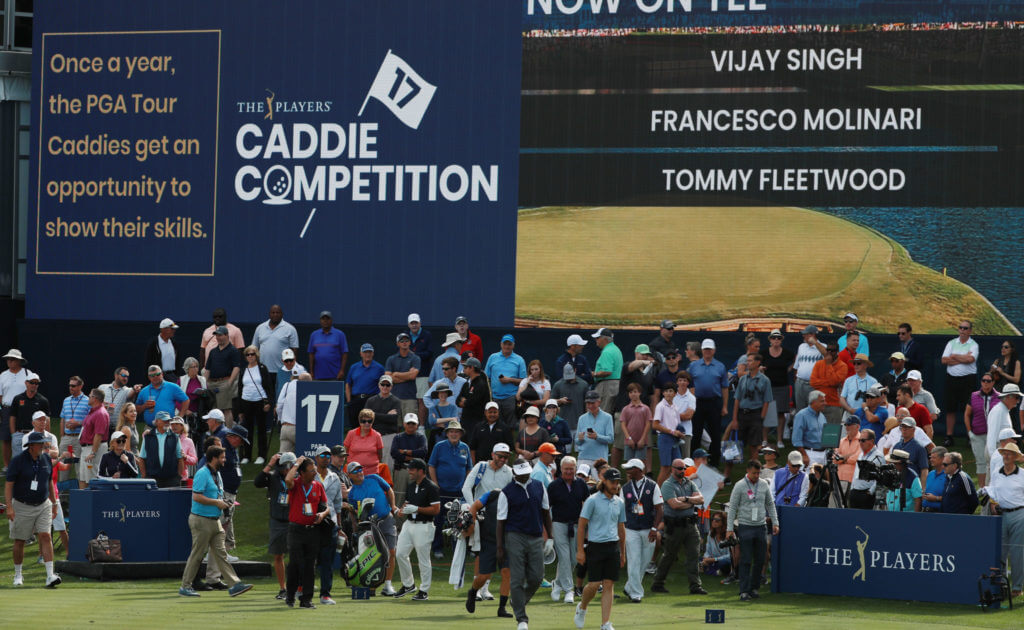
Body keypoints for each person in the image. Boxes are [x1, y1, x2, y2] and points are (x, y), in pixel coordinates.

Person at [178, 445, 253, 598]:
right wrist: (217, 503)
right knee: (197, 555)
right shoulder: (202, 474)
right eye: (222, 457)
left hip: (214, 520)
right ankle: (185, 586)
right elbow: (196, 496)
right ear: (214, 458)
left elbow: (215, 494)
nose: (225, 460)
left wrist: (223, 502)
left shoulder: (216, 474)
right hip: (201, 520)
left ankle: (234, 585)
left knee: (221, 554)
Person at [496, 459, 554, 630]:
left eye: (527, 472)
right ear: (514, 473)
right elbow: (500, 522)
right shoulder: (506, 492)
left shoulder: (538, 486)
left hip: (536, 536)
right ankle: (522, 619)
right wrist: (500, 547)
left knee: (537, 577)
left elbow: (546, 513)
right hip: (515, 537)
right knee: (517, 578)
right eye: (521, 474)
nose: (525, 476)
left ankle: (517, 601)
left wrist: (550, 537)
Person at [5, 432, 61, 588]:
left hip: (43, 504)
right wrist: (9, 507)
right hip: (22, 505)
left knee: (45, 535)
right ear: (31, 446)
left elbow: (49, 481)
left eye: (43, 443)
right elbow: (9, 485)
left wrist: (54, 503)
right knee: (20, 540)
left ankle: (50, 575)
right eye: (40, 443)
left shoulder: (46, 459)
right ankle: (18, 575)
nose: (43, 445)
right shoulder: (18, 461)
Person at [574, 467, 626, 630]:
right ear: (604, 481)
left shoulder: (620, 502)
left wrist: (622, 553)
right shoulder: (592, 500)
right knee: (594, 584)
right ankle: (582, 607)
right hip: (595, 546)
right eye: (612, 482)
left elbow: (621, 527)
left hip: (613, 547)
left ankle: (605, 623)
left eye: (617, 482)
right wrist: (580, 550)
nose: (615, 485)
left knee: (609, 584)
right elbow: (582, 526)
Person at [725, 460, 779, 602]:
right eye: (754, 473)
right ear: (748, 471)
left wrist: (775, 522)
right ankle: (743, 591)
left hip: (760, 526)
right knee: (746, 559)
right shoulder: (740, 485)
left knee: (761, 559)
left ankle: (754, 588)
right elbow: (732, 508)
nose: (756, 475)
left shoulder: (763, 484)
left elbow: (770, 504)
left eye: (758, 472)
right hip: (745, 526)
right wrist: (729, 528)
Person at [651, 456, 705, 595]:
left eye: (684, 468)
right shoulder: (668, 484)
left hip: (690, 525)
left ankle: (695, 586)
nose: (683, 471)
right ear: (673, 469)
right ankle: (658, 583)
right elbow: (674, 505)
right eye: (680, 468)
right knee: (669, 555)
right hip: (675, 526)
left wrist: (686, 499)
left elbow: (701, 499)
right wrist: (691, 503)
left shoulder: (689, 483)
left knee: (694, 554)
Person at [346, 460, 400, 595]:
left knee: (391, 552)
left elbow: (389, 490)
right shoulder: (352, 493)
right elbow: (354, 512)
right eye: (355, 471)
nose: (359, 473)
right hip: (370, 525)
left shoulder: (374, 478)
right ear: (349, 476)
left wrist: (393, 506)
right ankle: (372, 584)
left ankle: (388, 585)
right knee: (373, 555)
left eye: (360, 470)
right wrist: (355, 525)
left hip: (386, 518)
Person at [282, 456, 330, 608]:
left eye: (315, 470)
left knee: (310, 565)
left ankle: (306, 600)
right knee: (295, 563)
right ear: (301, 473)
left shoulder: (318, 486)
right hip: (296, 530)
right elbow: (288, 480)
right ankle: (290, 596)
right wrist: (296, 464)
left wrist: (322, 515)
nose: (315, 473)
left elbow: (326, 506)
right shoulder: (295, 484)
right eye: (311, 471)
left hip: (312, 531)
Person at [393, 457, 440, 600]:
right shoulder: (411, 486)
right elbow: (406, 505)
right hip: (409, 525)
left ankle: (424, 590)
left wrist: (418, 509)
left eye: (412, 469)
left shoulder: (431, 487)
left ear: (421, 471)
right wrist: (401, 511)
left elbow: (436, 510)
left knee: (423, 559)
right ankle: (409, 585)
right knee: (400, 554)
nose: (409, 471)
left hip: (424, 526)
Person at [465, 484, 514, 618]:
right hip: (489, 541)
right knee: (484, 576)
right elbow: (474, 507)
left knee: (506, 572)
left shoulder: (517, 497)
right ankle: (473, 591)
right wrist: (471, 524)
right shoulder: (493, 494)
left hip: (507, 542)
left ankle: (502, 608)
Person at [254, 451, 296, 599]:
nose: (287, 469)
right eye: (285, 466)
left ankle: (296, 586)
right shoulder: (273, 477)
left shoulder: (300, 477)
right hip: (277, 520)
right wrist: (270, 463)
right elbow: (257, 482)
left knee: (296, 555)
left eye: (291, 465)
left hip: (294, 520)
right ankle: (282, 588)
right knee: (278, 555)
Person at [619, 459, 663, 602]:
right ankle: (636, 594)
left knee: (644, 562)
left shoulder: (652, 486)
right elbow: (620, 509)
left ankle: (629, 587)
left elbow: (659, 509)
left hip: (648, 528)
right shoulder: (625, 488)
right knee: (634, 560)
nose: (627, 471)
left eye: (630, 468)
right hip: (630, 528)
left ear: (638, 469)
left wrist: (654, 528)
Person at [547, 455, 588, 604]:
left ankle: (557, 583)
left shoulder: (581, 485)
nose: (569, 472)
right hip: (558, 524)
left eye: (571, 469)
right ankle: (569, 590)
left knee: (573, 558)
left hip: (576, 525)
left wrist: (587, 527)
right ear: (561, 469)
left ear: (576, 469)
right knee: (564, 556)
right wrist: (547, 529)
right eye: (566, 469)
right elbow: (546, 508)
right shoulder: (554, 486)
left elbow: (586, 504)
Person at [428, 422, 472, 556]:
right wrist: (435, 484)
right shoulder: (439, 446)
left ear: (460, 434)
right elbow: (431, 466)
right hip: (441, 490)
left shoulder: (465, 448)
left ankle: (460, 547)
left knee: (460, 519)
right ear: (447, 433)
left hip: (459, 490)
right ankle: (437, 548)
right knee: (438, 520)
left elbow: (469, 468)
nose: (454, 434)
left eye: (456, 432)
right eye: (451, 431)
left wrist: (466, 485)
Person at [987, 442, 1024, 598]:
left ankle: (1017, 587)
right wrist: (993, 504)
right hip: (1000, 515)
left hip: (1019, 514)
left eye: (1009, 454)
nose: (1006, 456)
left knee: (1017, 552)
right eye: (1004, 453)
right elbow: (992, 491)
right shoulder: (996, 472)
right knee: (1000, 551)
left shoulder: (1022, 474)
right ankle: (1001, 585)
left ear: (1015, 457)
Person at [689, 339, 730, 469]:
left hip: (714, 402)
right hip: (698, 403)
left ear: (714, 350)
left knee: (715, 435)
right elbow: (689, 385)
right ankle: (693, 461)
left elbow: (724, 388)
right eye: (705, 349)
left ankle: (714, 463)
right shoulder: (694, 366)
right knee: (695, 434)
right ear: (702, 350)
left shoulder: (720, 366)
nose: (707, 352)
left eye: (709, 349)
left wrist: (724, 406)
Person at [313, 445, 344, 605]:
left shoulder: (335, 477)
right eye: (322, 456)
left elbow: (338, 505)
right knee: (309, 559)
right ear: (316, 458)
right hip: (312, 522)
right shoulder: (309, 475)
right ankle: (302, 589)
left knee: (327, 560)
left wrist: (338, 527)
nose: (325, 458)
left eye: (327, 456)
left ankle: (325, 594)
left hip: (330, 523)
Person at [941, 320, 980, 447]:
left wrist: (954, 356)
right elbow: (944, 360)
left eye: (965, 328)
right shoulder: (951, 343)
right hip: (951, 379)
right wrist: (962, 358)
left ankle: (970, 437)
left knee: (968, 409)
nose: (962, 330)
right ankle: (949, 436)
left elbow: (970, 359)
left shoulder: (974, 345)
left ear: (970, 331)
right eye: (961, 328)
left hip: (967, 380)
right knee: (950, 409)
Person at [729, 353, 773, 464]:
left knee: (754, 445)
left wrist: (761, 418)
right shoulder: (743, 379)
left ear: (758, 363)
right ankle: (727, 475)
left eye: (750, 361)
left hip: (755, 414)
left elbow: (767, 401)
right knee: (735, 444)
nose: (747, 363)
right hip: (742, 414)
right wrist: (734, 419)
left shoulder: (765, 380)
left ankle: (754, 470)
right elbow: (737, 399)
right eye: (747, 361)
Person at [252, 304, 299, 398]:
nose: (275, 315)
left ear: (282, 314)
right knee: (264, 398)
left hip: (282, 371)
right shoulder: (260, 328)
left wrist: (290, 367)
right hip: (264, 371)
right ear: (269, 314)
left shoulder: (290, 329)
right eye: (273, 312)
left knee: (281, 397)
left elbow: (294, 350)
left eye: (278, 313)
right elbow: (254, 349)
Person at [236, 345, 273, 464]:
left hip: (260, 401)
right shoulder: (243, 369)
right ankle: (246, 455)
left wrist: (268, 402)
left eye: (252, 354)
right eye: (248, 354)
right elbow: (240, 388)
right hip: (246, 401)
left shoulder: (262, 368)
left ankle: (261, 455)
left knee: (261, 429)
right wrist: (240, 409)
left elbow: (268, 386)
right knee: (247, 430)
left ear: (256, 355)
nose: (250, 356)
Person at [202, 327, 242, 429]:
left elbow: (236, 367)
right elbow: (207, 369)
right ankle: (214, 433)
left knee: (226, 409)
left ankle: (228, 433)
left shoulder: (233, 350)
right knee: (213, 410)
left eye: (220, 335)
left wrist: (229, 382)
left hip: (224, 382)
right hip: (211, 383)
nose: (218, 337)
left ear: (226, 335)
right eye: (217, 335)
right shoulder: (213, 351)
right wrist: (203, 384)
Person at [762, 330, 795, 448]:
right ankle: (765, 440)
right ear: (770, 339)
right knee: (768, 413)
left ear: (781, 340)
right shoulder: (764, 353)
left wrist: (790, 368)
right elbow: (757, 363)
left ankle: (779, 440)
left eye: (778, 338)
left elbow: (795, 358)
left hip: (782, 386)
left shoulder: (786, 353)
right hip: (769, 387)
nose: (776, 340)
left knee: (781, 414)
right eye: (774, 338)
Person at [485, 334, 527, 427]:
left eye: (509, 344)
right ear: (501, 344)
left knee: (511, 426)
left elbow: (524, 381)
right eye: (505, 344)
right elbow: (486, 377)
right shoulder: (493, 357)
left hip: (511, 398)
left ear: (513, 345)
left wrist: (509, 380)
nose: (507, 346)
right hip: (494, 397)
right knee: (495, 425)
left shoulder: (519, 360)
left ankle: (511, 442)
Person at [966, 373, 1000, 487]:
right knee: (980, 462)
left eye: (988, 381)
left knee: (993, 461)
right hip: (977, 434)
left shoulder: (999, 397)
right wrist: (969, 432)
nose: (986, 383)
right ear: (981, 382)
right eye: (984, 380)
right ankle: (982, 489)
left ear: (993, 383)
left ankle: (991, 486)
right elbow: (967, 414)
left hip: (993, 435)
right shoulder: (973, 395)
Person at [1, 348, 30, 471]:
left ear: (19, 361)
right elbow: (0, 395)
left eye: (12, 359)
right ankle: (7, 466)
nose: (9, 361)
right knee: (6, 438)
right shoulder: (3, 375)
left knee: (26, 437)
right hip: (7, 409)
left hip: (23, 409)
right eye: (8, 359)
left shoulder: (28, 374)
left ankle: (26, 464)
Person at [139, 411, 185, 487]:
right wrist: (144, 477)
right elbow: (142, 458)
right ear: (156, 421)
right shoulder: (148, 437)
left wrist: (178, 478)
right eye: (164, 420)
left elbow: (180, 458)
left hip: (171, 480)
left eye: (168, 420)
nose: (167, 422)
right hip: (152, 479)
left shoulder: (175, 437)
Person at [652, 382, 686, 485]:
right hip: (664, 438)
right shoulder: (660, 406)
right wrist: (672, 432)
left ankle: (669, 491)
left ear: (675, 393)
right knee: (665, 467)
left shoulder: (675, 407)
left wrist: (680, 434)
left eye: (671, 391)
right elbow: (655, 425)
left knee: (677, 467)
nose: (668, 393)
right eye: (666, 391)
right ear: (663, 393)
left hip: (674, 439)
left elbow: (677, 425)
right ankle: (657, 495)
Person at [9, 372, 48, 461]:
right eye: (31, 382)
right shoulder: (17, 398)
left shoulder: (43, 400)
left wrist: (46, 436)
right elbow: (12, 417)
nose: (34, 385)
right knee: (17, 461)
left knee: (35, 460)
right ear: (26, 383)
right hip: (19, 434)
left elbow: (46, 420)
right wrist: (13, 434)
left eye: (36, 383)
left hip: (36, 435)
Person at [392, 413, 429, 506]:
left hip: (417, 471)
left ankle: (416, 520)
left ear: (417, 425)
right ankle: (399, 520)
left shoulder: (421, 437)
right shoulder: (398, 437)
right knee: (399, 498)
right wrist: (414, 457)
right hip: (402, 470)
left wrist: (405, 452)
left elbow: (423, 452)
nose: (411, 425)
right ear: (404, 424)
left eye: (413, 423)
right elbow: (394, 453)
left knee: (417, 498)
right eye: (408, 423)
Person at [385, 332, 422, 423]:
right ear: (398, 344)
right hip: (394, 397)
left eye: (406, 340)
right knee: (394, 427)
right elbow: (388, 378)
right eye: (402, 341)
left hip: (410, 398)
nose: (404, 342)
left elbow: (413, 376)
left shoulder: (415, 358)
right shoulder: (391, 359)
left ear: (410, 343)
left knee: (410, 425)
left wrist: (396, 374)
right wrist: (407, 375)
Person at [346, 343, 385, 428]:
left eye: (369, 352)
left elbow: (384, 385)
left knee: (372, 426)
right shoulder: (354, 367)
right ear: (361, 354)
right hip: (356, 400)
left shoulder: (379, 368)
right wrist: (349, 401)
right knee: (355, 426)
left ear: (373, 353)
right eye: (365, 352)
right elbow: (348, 384)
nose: (367, 354)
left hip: (372, 400)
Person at [58, 375, 89, 482]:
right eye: (70, 385)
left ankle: (79, 494)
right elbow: (62, 419)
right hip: (66, 438)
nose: (71, 388)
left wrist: (78, 423)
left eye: (73, 386)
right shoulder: (66, 400)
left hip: (79, 438)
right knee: (63, 467)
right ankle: (62, 495)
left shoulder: (88, 401)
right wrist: (62, 436)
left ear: (80, 386)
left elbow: (90, 421)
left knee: (80, 469)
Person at [810, 343, 848, 425]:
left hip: (834, 405)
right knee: (816, 432)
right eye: (828, 350)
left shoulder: (842, 366)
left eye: (833, 350)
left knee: (831, 434)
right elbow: (813, 382)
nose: (829, 352)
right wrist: (828, 382)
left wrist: (828, 365)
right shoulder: (818, 364)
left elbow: (834, 382)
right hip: (818, 404)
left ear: (837, 351)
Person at [575, 390, 613, 471]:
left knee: (600, 483)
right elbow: (576, 441)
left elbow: (610, 439)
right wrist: (580, 439)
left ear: (599, 402)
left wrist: (597, 437)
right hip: (583, 457)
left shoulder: (607, 417)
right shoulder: (582, 418)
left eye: (593, 403)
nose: (590, 406)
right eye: (588, 403)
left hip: (600, 459)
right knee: (581, 483)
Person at [307, 310, 349, 381]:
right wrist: (311, 371)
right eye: (323, 319)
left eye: (327, 319)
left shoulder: (340, 334)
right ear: (320, 321)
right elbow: (311, 353)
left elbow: (344, 353)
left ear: (331, 320)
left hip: (335, 374)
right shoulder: (314, 334)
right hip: (318, 374)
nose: (325, 321)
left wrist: (342, 370)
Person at [849, 430, 886, 509]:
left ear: (871, 441)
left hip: (866, 493)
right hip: (855, 492)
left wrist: (870, 492)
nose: (860, 443)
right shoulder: (861, 454)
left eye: (863, 440)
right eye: (859, 440)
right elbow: (856, 472)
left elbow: (881, 477)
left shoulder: (878, 456)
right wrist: (852, 488)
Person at [793, 326, 826, 414]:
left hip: (814, 385)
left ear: (813, 335)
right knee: (799, 410)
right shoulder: (801, 346)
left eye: (806, 334)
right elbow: (796, 366)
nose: (803, 336)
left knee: (814, 410)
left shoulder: (823, 346)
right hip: (800, 383)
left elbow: (827, 355)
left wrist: (815, 343)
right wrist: (796, 380)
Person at [276, 372, 310, 454]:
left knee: (284, 461)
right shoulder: (308, 390)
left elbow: (279, 406)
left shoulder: (287, 386)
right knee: (303, 459)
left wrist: (281, 420)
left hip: (285, 427)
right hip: (299, 429)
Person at [552, 362, 590, 435]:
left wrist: (587, 422)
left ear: (575, 370)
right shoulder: (558, 385)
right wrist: (560, 400)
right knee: (566, 446)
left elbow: (587, 404)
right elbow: (550, 402)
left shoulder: (584, 385)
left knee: (580, 446)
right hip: (563, 425)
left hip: (580, 425)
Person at [364, 374, 402, 447]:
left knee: (387, 458)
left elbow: (393, 419)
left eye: (387, 385)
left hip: (389, 435)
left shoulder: (396, 401)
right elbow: (366, 417)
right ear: (379, 385)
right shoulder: (371, 400)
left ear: (391, 386)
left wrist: (373, 414)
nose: (385, 387)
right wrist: (386, 415)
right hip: (372, 435)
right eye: (383, 384)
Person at [98, 367, 139, 434]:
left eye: (127, 376)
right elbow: (94, 402)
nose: (125, 378)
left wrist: (135, 389)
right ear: (116, 375)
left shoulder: (127, 390)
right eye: (123, 375)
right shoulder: (102, 387)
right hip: (103, 428)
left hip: (118, 429)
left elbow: (131, 392)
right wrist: (101, 405)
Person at [591, 328, 623, 414]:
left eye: (597, 338)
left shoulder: (607, 352)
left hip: (607, 386)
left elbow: (607, 372)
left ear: (604, 339)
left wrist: (594, 374)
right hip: (616, 385)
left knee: (602, 413)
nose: (596, 340)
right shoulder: (616, 349)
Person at [620, 383, 652, 466]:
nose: (633, 394)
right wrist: (628, 438)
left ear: (639, 393)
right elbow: (623, 424)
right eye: (631, 392)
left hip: (642, 441)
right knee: (629, 465)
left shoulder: (645, 408)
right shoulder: (626, 409)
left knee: (640, 465)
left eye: (635, 392)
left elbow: (648, 424)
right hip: (629, 441)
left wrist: (643, 439)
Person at [791, 390, 827, 466]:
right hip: (809, 454)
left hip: (823, 454)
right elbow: (796, 439)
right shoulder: (802, 415)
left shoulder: (822, 416)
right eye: (822, 401)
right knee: (809, 477)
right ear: (813, 402)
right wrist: (804, 455)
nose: (825, 403)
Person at [986, 384, 1021, 460]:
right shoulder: (998, 411)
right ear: (1008, 396)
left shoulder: (1004, 410)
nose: (1018, 401)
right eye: (1017, 397)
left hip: (1002, 452)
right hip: (997, 451)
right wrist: (994, 458)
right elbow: (992, 436)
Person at [345, 408, 384, 475]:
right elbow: (345, 452)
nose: (367, 423)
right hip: (353, 473)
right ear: (359, 421)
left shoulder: (377, 435)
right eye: (364, 421)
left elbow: (380, 455)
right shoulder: (351, 433)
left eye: (369, 421)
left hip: (372, 473)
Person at [456, 357, 491, 432]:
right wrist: (465, 401)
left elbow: (473, 401)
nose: (464, 369)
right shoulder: (466, 383)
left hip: (477, 422)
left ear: (472, 368)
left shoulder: (481, 384)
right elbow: (457, 401)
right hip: (465, 421)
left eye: (465, 367)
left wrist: (465, 401)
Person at [839, 353, 878, 418]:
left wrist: (866, 409)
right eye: (854, 363)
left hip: (866, 415)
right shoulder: (848, 380)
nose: (855, 365)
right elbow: (842, 398)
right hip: (849, 414)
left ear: (866, 365)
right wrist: (850, 409)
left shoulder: (873, 381)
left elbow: (877, 400)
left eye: (858, 363)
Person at [702, 512, 738, 580]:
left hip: (723, 561)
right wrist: (706, 558)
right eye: (713, 519)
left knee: (725, 563)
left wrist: (714, 559)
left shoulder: (730, 535)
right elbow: (707, 550)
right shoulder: (710, 533)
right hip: (713, 560)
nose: (713, 521)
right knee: (696, 560)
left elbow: (731, 555)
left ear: (723, 522)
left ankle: (709, 569)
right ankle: (714, 571)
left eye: (717, 520)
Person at [835, 416, 862, 497]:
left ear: (858, 426)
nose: (847, 427)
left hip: (854, 479)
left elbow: (857, 458)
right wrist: (848, 457)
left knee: (850, 506)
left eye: (850, 425)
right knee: (837, 506)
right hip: (840, 477)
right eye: (846, 425)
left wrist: (842, 458)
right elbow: (834, 458)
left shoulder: (862, 440)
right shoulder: (841, 441)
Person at [171, 416, 198, 481]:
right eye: (172, 424)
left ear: (182, 426)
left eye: (177, 424)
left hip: (182, 477)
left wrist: (185, 457)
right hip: (167, 475)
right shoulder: (166, 438)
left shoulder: (189, 441)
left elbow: (194, 460)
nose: (174, 426)